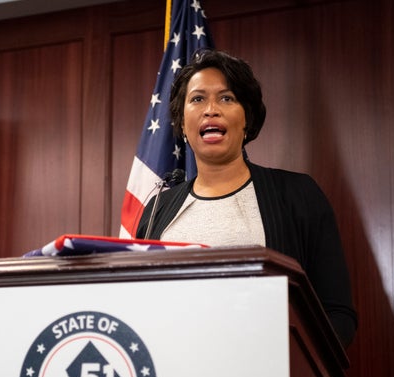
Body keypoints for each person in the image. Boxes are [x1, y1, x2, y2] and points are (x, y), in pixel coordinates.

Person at [136, 49, 357, 348]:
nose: (211, 109)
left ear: (247, 120)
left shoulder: (298, 195)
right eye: (197, 99)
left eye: (227, 98)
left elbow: (337, 315)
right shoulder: (157, 210)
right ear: (183, 123)